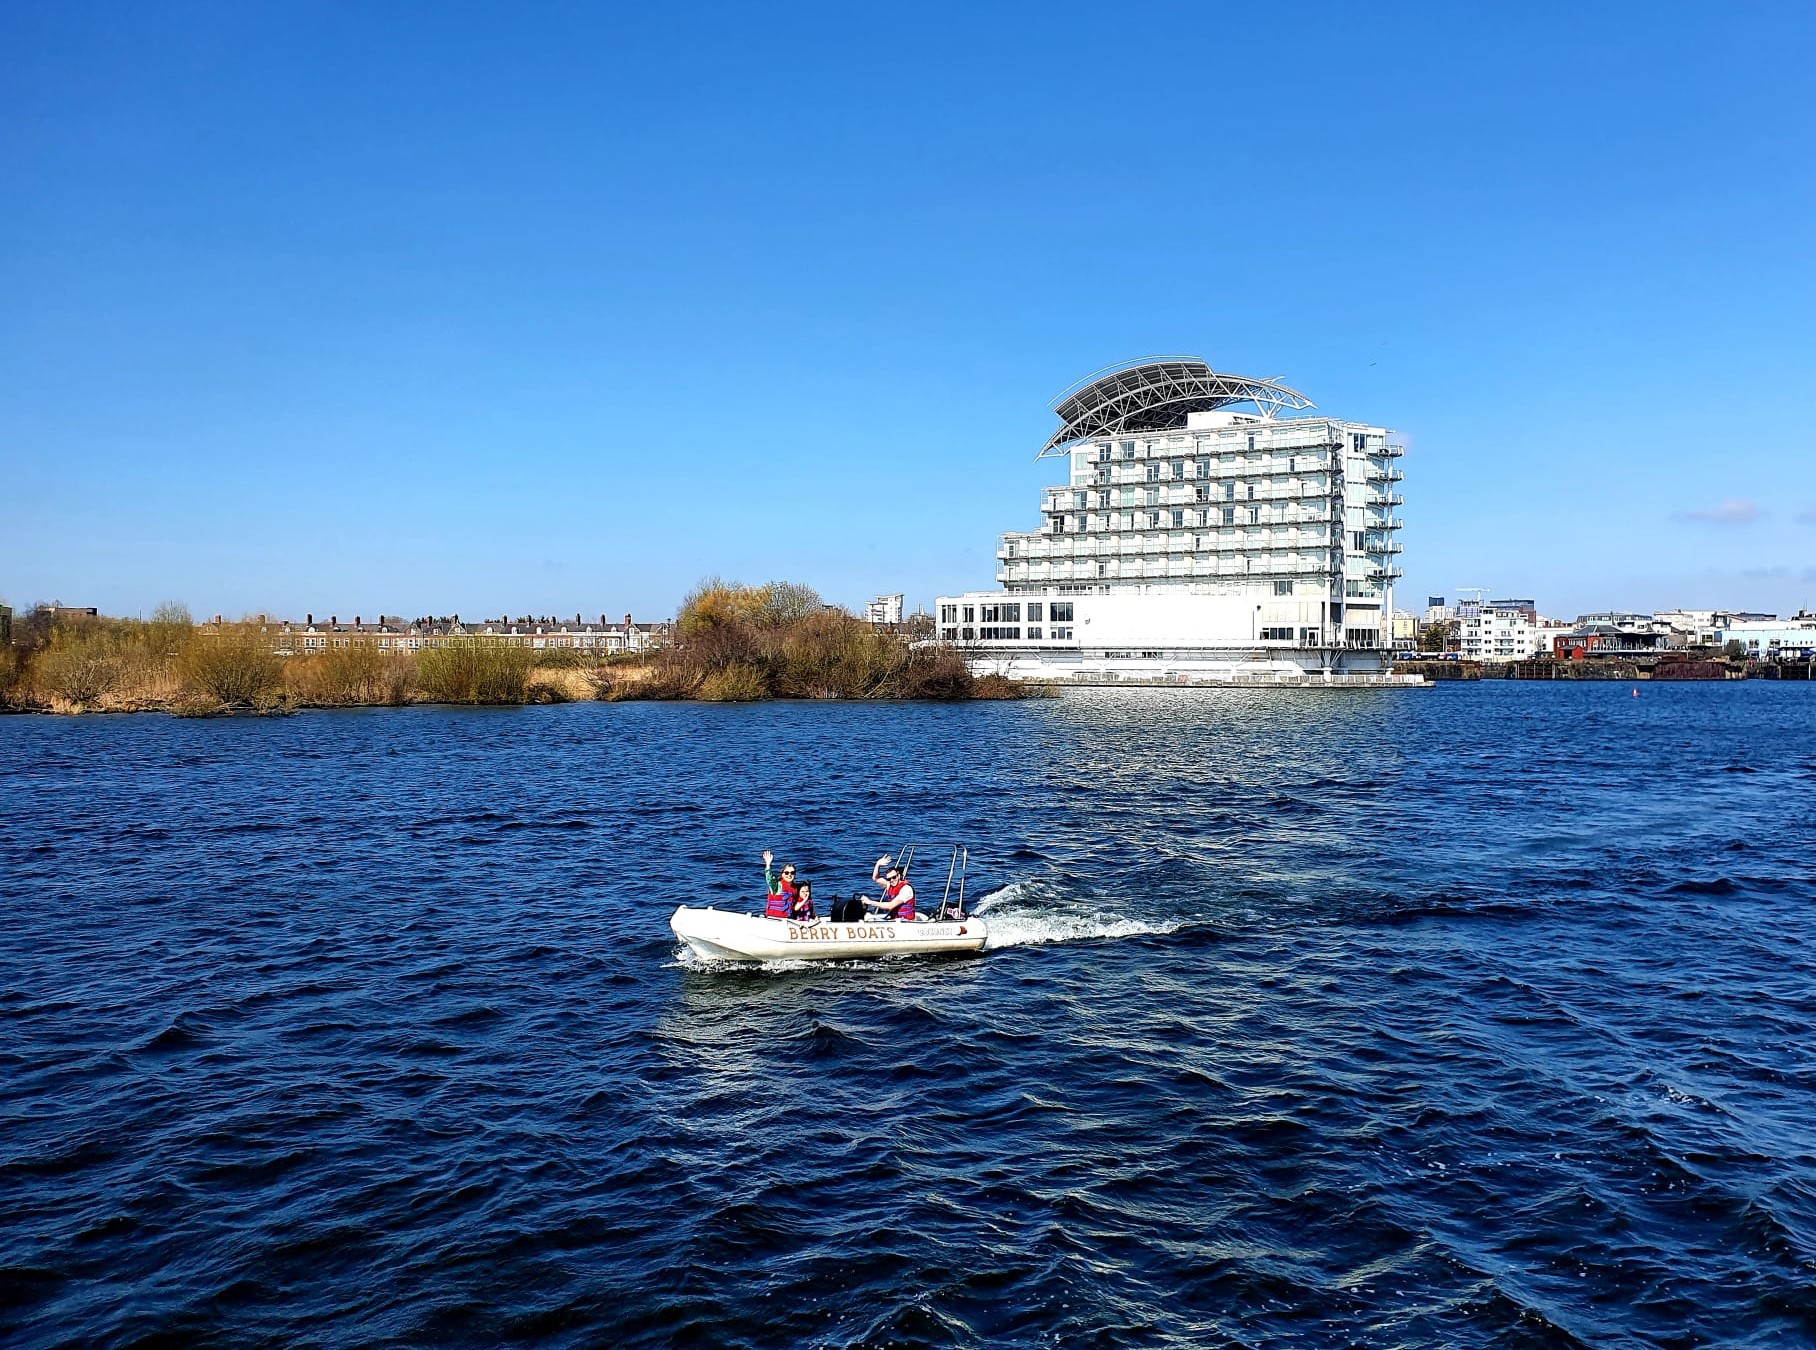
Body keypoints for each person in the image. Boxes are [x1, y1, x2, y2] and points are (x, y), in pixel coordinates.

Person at [864, 854, 916, 923]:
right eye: (888, 879)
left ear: (898, 876)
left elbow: (890, 906)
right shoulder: (889, 885)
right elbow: (875, 878)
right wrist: (878, 864)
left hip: (907, 922)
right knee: (868, 917)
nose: (891, 880)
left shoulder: (906, 889)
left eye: (894, 877)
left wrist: (870, 902)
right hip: (895, 920)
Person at [762, 849, 798, 920]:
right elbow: (769, 879)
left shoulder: (795, 888)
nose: (789, 875)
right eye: (787, 873)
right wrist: (768, 865)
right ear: (782, 874)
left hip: (788, 920)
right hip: (773, 919)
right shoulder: (777, 885)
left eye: (792, 873)